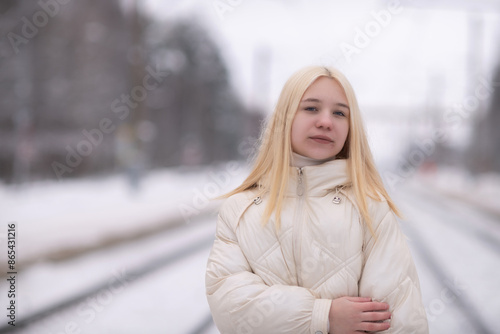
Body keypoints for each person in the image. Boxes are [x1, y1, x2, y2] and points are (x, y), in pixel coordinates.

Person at [205, 66, 428, 333]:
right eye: (311, 108)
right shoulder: (238, 210)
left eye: (339, 113)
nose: (326, 121)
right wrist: (324, 316)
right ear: (285, 117)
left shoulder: (371, 208)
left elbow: (398, 319)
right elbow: (231, 308)